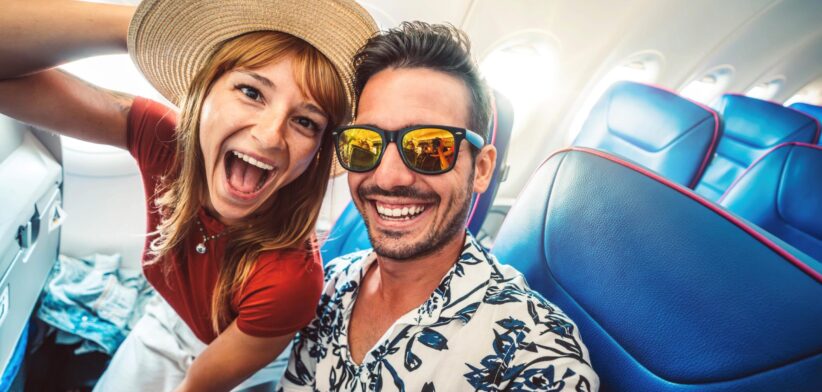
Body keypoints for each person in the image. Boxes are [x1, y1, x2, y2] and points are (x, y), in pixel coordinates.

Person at [0, 0, 376, 391]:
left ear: (316, 154)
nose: (269, 136)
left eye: (305, 121)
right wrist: (145, 28)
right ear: (203, 93)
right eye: (251, 91)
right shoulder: (166, 142)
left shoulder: (289, 281)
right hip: (168, 317)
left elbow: (197, 384)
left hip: (238, 357)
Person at [281, 22, 599, 391]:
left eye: (430, 148)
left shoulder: (535, 356)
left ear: (481, 169)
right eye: (366, 143)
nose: (388, 177)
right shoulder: (332, 286)